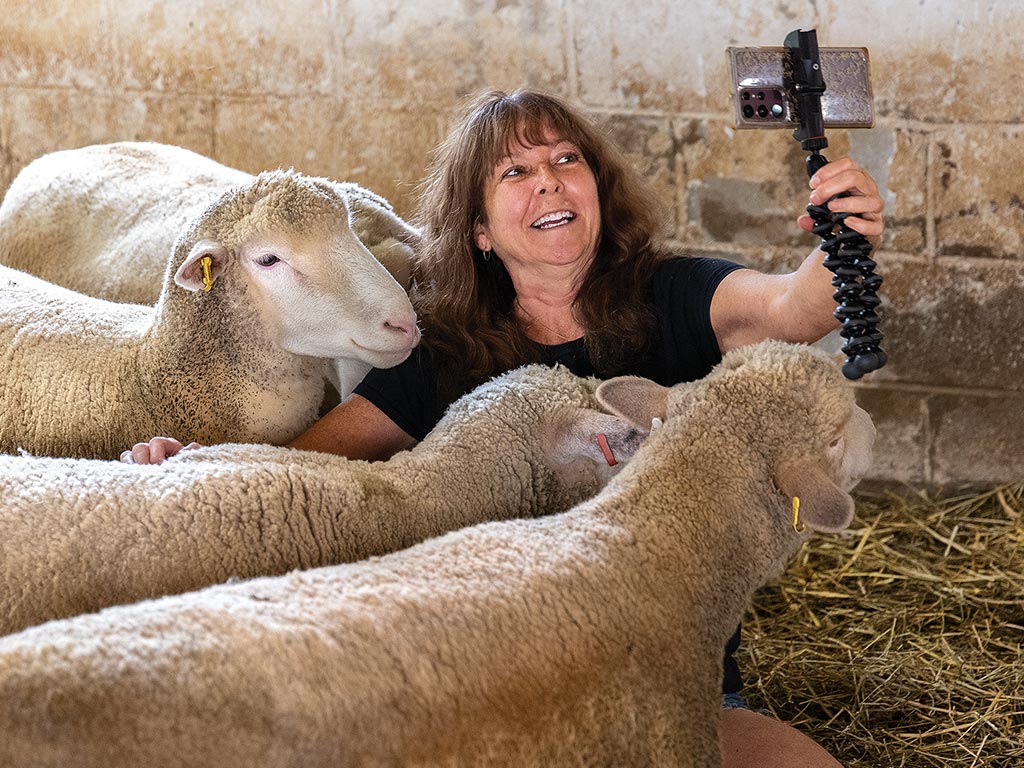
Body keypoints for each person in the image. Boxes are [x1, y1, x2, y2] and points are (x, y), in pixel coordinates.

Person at [124, 88, 883, 766]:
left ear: (597, 190)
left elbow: (792, 308)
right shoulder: (445, 350)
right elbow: (312, 469)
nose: (548, 178)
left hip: (665, 665)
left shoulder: (676, 293)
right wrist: (192, 465)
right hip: (502, 668)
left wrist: (842, 234)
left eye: (565, 159)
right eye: (514, 173)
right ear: (480, 229)